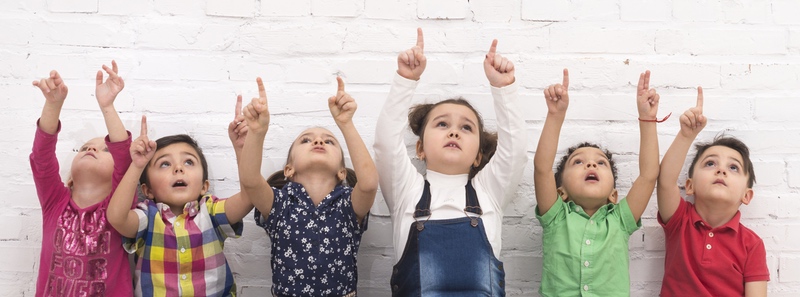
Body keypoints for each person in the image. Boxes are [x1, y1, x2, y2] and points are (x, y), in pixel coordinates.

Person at [374, 28, 527, 296]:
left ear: (479, 155)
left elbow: (514, 151)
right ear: (420, 148)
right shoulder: (406, 191)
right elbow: (386, 144)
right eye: (442, 124)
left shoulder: (488, 191)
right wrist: (406, 81)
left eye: (466, 128)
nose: (454, 131)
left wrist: (503, 90)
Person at [239, 76, 377, 296]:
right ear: (289, 169)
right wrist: (257, 132)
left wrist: (346, 124)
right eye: (306, 140)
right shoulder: (279, 204)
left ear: (342, 171)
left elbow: (369, 185)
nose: (318, 141)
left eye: (329, 141)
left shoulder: (347, 205)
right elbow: (250, 181)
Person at [106, 99, 253, 296]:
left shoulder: (210, 211)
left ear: (204, 186)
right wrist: (137, 165)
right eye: (165, 164)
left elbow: (248, 198)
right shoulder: (147, 217)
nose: (178, 168)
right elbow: (116, 217)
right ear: (147, 190)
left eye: (189, 162)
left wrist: (241, 149)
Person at [533, 69, 660, 296]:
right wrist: (555, 115)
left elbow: (649, 175)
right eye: (578, 162)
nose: (591, 165)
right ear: (560, 191)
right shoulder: (556, 215)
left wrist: (648, 119)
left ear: (613, 195)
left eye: (600, 163)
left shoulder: (621, 219)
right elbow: (542, 169)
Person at [30, 61, 134, 296]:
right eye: (85, 147)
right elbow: (41, 159)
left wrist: (107, 106)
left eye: (104, 149)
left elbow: (126, 161)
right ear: (70, 181)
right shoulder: (54, 202)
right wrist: (53, 106)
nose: (92, 149)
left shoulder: (118, 205)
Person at [657, 87, 769, 296]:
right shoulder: (679, 221)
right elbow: (665, 181)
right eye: (710, 163)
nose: (721, 169)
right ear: (689, 186)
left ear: (747, 195)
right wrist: (685, 135)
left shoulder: (752, 244)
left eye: (733, 167)